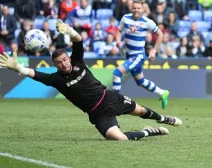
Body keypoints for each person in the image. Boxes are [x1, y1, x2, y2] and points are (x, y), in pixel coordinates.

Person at [0, 20, 181, 141]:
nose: (64, 64)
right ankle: (148, 132)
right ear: (55, 65)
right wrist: (18, 68)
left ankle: (164, 119)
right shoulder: (56, 80)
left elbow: (78, 41)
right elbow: (35, 74)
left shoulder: (77, 61)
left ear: (69, 59)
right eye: (59, 63)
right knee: (120, 139)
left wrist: (69, 30)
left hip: (109, 98)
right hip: (97, 114)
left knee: (140, 110)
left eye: (65, 60)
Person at [112, 0, 170, 109]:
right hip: (129, 55)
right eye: (134, 8)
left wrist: (154, 50)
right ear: (131, 8)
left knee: (117, 73)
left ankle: (114, 102)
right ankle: (162, 93)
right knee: (140, 81)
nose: (136, 10)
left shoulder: (147, 22)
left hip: (138, 55)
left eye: (138, 8)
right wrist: (118, 40)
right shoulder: (126, 18)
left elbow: (160, 34)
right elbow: (119, 30)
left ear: (143, 9)